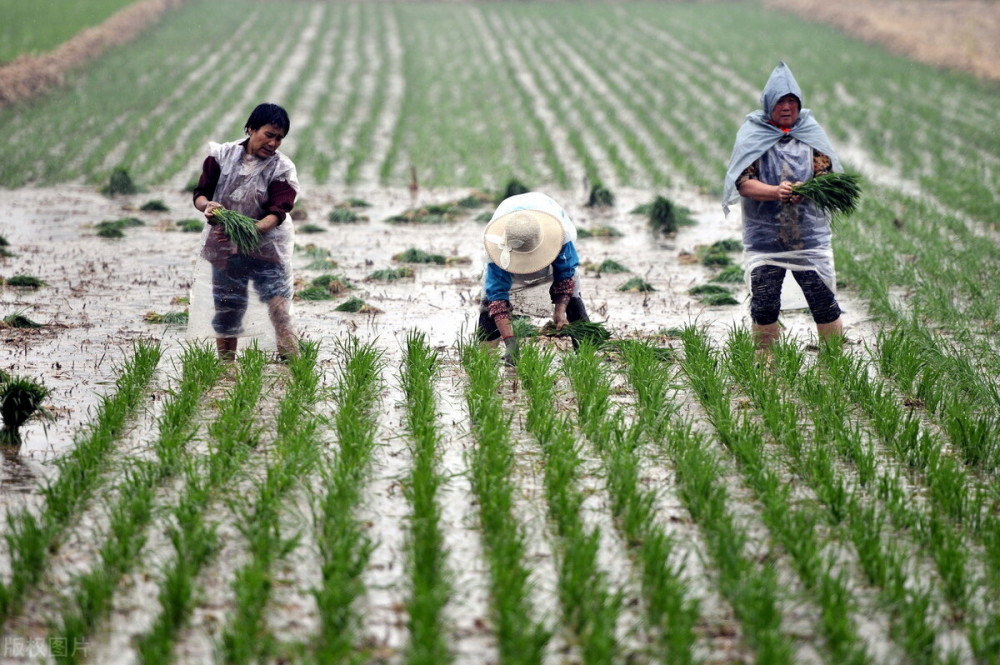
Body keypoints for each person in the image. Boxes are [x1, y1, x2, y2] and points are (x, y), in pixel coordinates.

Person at [722, 61, 845, 350]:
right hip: (765, 241)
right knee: (764, 304)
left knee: (823, 302)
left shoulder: (811, 134)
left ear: (800, 104)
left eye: (792, 101)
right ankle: (766, 363)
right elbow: (744, 183)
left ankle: (836, 362)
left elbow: (827, 179)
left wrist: (809, 190)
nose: (787, 107)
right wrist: (776, 191)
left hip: (808, 239)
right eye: (781, 102)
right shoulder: (754, 136)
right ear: (769, 105)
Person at [190, 102, 300, 361]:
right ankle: (226, 370)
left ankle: (291, 366)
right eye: (269, 135)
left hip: (267, 249)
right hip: (225, 248)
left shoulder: (282, 168)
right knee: (228, 309)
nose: (273, 143)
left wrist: (251, 230)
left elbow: (278, 211)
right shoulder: (221, 156)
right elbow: (200, 194)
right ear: (251, 129)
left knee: (279, 307)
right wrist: (207, 207)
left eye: (279, 138)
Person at [477, 192, 590, 366]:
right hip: (509, 238)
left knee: (574, 300)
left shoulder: (559, 235)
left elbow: (566, 276)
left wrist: (560, 312)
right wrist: (511, 343)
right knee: (488, 307)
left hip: (545, 223)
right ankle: (484, 362)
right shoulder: (495, 252)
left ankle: (585, 355)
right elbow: (497, 299)